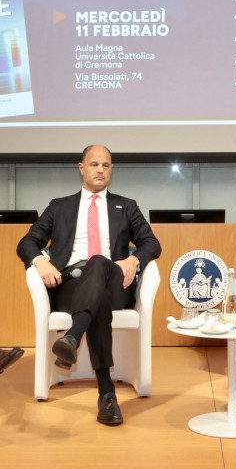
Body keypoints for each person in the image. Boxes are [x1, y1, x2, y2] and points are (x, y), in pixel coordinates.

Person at [16, 145, 161, 426]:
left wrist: (134, 260)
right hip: (70, 285)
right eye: (94, 164)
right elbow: (27, 242)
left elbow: (152, 243)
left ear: (111, 170)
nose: (100, 170)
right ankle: (107, 394)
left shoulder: (126, 206)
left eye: (106, 165)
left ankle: (73, 336)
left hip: (114, 281)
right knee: (98, 299)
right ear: (81, 168)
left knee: (98, 262)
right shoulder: (59, 206)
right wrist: (40, 262)